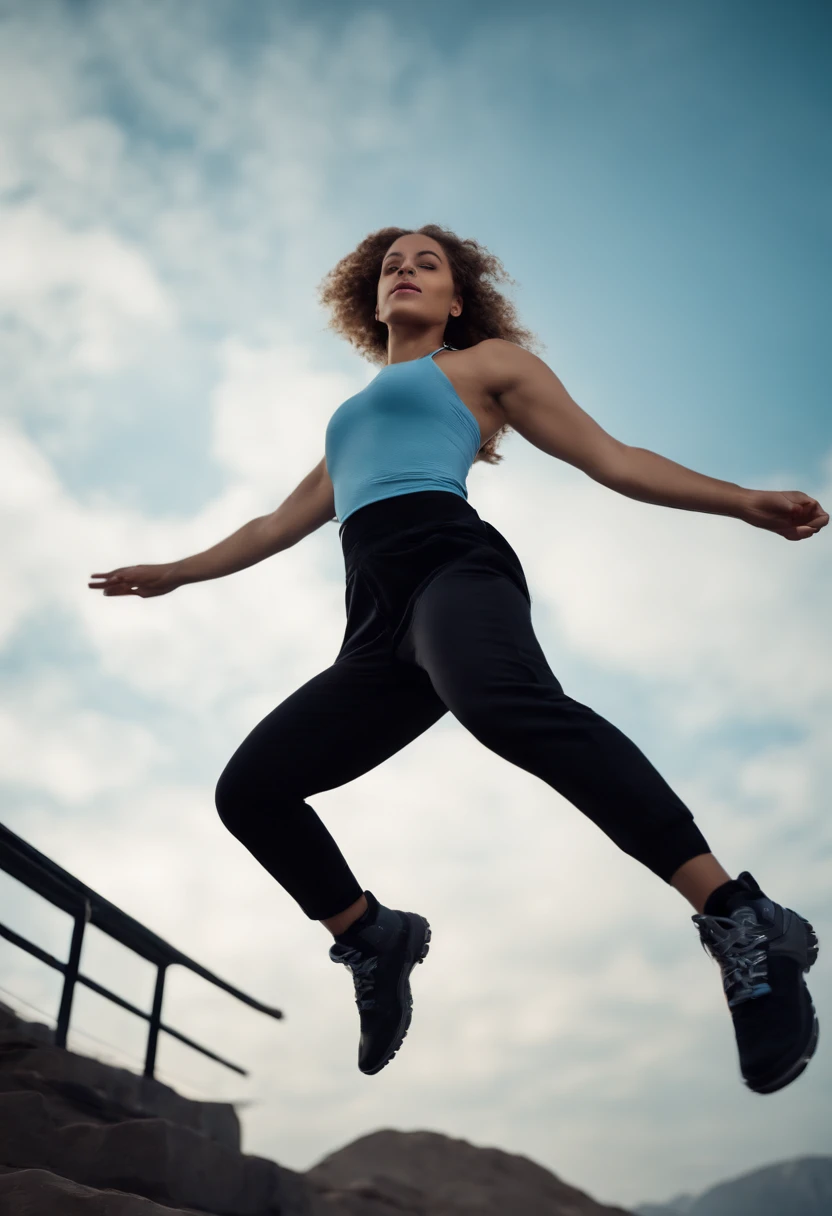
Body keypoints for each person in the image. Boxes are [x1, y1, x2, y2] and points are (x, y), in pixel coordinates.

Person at [89, 224, 826, 1092]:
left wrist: (741, 501)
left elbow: (612, 458)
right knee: (249, 790)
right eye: (392, 265)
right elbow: (273, 525)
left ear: (455, 299)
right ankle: (370, 934)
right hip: (375, 623)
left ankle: (742, 916)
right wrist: (174, 572)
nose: (405, 271)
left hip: (451, 567)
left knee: (500, 703)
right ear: (372, 299)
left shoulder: (485, 368)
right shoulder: (347, 418)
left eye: (426, 264)